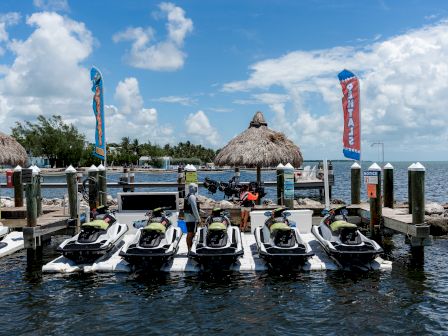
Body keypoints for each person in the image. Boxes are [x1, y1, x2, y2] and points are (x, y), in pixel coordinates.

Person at [184, 183, 201, 251]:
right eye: (195, 187)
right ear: (192, 188)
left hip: (188, 217)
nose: (196, 189)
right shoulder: (192, 197)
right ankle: (190, 249)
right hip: (192, 218)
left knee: (190, 233)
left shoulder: (187, 196)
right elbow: (194, 208)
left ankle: (189, 249)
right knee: (191, 234)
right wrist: (198, 218)